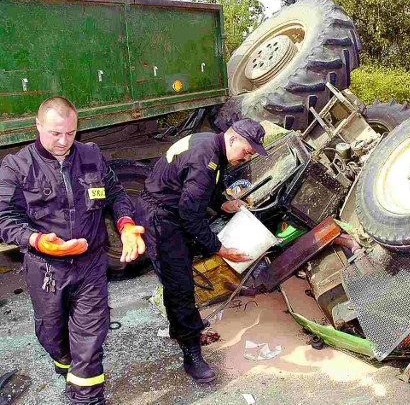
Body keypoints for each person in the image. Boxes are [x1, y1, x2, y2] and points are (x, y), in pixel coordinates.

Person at [0, 97, 145, 404]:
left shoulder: (90, 155)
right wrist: (38, 241)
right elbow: (4, 219)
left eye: (70, 132)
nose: (64, 141)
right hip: (46, 270)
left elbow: (115, 193)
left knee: (90, 337)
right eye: (55, 133)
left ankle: (87, 397)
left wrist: (126, 223)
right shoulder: (17, 166)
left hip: (90, 265)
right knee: (51, 334)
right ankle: (67, 368)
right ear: (38, 126)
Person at [135, 118, 268, 383]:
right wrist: (220, 249)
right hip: (161, 218)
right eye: (247, 150)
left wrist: (222, 204)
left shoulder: (212, 144)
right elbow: (191, 215)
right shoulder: (205, 156)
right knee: (181, 286)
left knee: (178, 279)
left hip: (169, 212)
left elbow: (210, 183)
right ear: (232, 139)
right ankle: (192, 354)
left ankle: (180, 327)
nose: (247, 155)